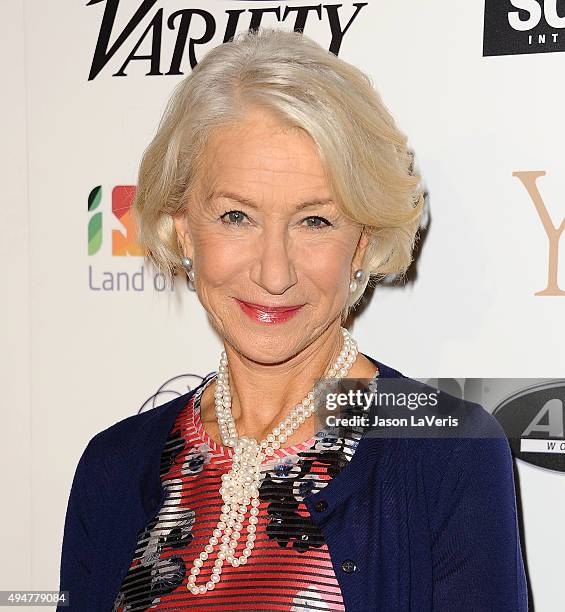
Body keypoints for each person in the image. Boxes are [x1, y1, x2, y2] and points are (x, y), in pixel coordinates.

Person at [57, 27, 528, 611]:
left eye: (314, 222)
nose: (274, 273)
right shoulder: (113, 467)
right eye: (236, 216)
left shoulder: (446, 454)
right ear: (182, 227)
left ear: (362, 243)